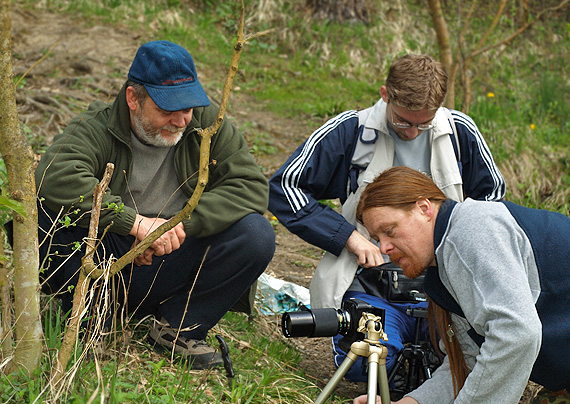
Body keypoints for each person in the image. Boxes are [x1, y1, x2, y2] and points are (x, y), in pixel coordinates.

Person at [34, 40, 275, 369]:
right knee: (45, 218)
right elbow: (54, 176)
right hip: (108, 260)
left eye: (187, 107)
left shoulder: (208, 125)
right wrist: (134, 224)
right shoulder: (95, 127)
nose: (180, 121)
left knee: (255, 234)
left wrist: (173, 227)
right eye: (166, 109)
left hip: (173, 256)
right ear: (134, 99)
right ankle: (93, 318)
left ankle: (178, 328)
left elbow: (250, 187)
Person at [268, 54, 505, 382]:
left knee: (457, 369)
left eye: (424, 123)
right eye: (403, 122)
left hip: (444, 287)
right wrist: (349, 238)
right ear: (385, 94)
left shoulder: (460, 132)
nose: (412, 133)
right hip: (372, 283)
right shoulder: (351, 130)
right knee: (366, 365)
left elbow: (492, 201)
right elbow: (284, 186)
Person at [353, 166, 570, 404]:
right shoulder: (441, 273)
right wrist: (411, 403)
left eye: (389, 231)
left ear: (424, 208)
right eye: (377, 239)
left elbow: (517, 334)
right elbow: (469, 362)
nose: (384, 248)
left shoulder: (471, 229)